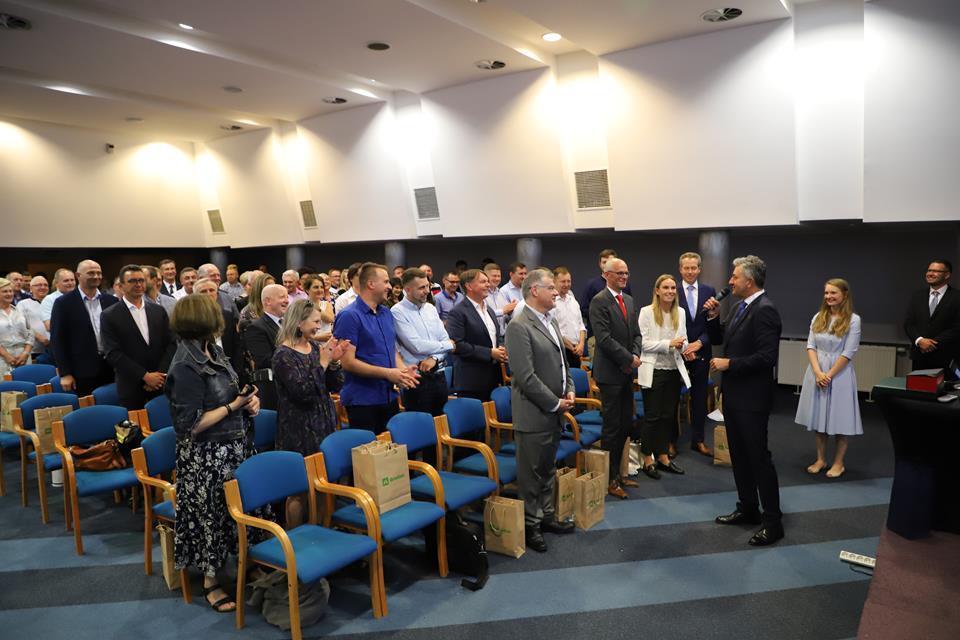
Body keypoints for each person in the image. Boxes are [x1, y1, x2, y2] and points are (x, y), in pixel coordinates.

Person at [165, 293, 262, 613]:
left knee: (242, 510)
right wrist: (234, 406)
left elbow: (232, 391)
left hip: (234, 445)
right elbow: (190, 425)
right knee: (212, 519)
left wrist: (249, 402)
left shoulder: (214, 351)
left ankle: (248, 563)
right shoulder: (184, 364)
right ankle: (211, 581)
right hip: (205, 456)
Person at [705, 255, 783, 546]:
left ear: (749, 281)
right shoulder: (740, 307)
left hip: (752, 399)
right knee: (739, 456)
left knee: (758, 459)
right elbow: (722, 339)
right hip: (735, 396)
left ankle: (773, 522)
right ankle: (748, 508)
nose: (730, 281)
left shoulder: (765, 310)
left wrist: (730, 364)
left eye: (734, 276)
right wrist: (713, 318)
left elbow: (767, 358)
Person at [504, 268, 576, 553]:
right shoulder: (519, 326)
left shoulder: (550, 320)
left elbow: (563, 363)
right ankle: (530, 524)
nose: (556, 291)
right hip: (534, 413)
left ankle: (546, 516)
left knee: (548, 468)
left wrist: (569, 388)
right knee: (531, 474)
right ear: (535, 290)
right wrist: (555, 402)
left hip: (554, 410)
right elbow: (525, 377)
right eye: (551, 288)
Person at [333, 263, 419, 433]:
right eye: (386, 282)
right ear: (371, 284)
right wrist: (388, 373)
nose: (390, 286)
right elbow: (348, 362)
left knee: (392, 447)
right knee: (370, 449)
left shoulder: (386, 312)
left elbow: (391, 349)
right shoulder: (349, 316)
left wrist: (402, 372)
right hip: (363, 401)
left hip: (388, 396)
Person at [795, 279, 863, 478]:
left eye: (833, 293)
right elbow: (810, 346)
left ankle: (838, 463)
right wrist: (818, 373)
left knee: (840, 419)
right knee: (819, 417)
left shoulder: (853, 320)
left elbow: (849, 352)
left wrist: (829, 375)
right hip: (817, 371)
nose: (829, 297)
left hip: (839, 374)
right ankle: (821, 459)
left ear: (844, 295)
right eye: (826, 293)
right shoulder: (818, 317)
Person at [589, 258, 642, 499]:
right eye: (619, 273)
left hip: (627, 371)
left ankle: (620, 473)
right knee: (611, 428)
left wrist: (635, 355)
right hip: (610, 374)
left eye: (626, 273)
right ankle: (610, 479)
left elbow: (637, 334)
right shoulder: (599, 301)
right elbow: (604, 339)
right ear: (606, 275)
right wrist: (628, 359)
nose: (624, 277)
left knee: (625, 424)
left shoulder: (628, 300)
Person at [272, 299, 349, 456]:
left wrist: (333, 362)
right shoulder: (283, 355)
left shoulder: (314, 347)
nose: (319, 327)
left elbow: (335, 385)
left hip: (325, 423)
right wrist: (323, 363)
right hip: (300, 431)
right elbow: (302, 393)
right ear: (299, 323)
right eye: (315, 322)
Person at [637, 275, 690, 479]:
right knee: (653, 416)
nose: (670, 291)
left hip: (673, 369)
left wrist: (684, 347)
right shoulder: (646, 312)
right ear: (657, 291)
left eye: (673, 288)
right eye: (666, 287)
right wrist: (669, 344)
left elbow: (684, 340)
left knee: (668, 416)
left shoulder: (680, 312)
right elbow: (642, 343)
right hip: (654, 370)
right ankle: (647, 458)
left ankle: (663, 456)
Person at [100, 265, 174, 410]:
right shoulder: (109, 315)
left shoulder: (158, 311)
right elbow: (112, 353)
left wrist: (159, 375)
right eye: (132, 281)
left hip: (161, 382)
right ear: (121, 286)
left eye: (141, 280)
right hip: (131, 385)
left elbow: (171, 344)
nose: (138, 284)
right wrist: (145, 376)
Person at [392, 268, 456, 418]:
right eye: (421, 287)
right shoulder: (397, 312)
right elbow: (417, 346)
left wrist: (434, 358)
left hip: (439, 374)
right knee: (421, 426)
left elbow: (444, 337)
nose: (427, 291)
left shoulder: (430, 308)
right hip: (416, 378)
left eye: (427, 286)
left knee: (441, 423)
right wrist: (449, 345)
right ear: (407, 289)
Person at [50, 260, 119, 395]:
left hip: (112, 367)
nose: (96, 276)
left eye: (99, 273)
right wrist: (65, 373)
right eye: (91, 273)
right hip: (82, 370)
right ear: (78, 275)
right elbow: (58, 340)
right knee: (89, 406)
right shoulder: (63, 303)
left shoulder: (111, 301)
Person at [677, 252, 716, 457]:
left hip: (701, 352)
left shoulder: (709, 291)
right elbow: (669, 324)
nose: (690, 271)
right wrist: (685, 347)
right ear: (680, 269)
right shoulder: (672, 290)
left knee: (699, 399)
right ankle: (671, 442)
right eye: (686, 268)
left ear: (699, 269)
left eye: (694, 268)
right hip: (677, 352)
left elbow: (712, 324)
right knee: (673, 399)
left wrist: (699, 343)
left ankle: (698, 440)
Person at [446, 269, 506, 401]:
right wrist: (489, 353)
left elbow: (493, 338)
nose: (488, 285)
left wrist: (500, 349)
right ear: (469, 286)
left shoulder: (489, 310)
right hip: (471, 380)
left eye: (487, 281)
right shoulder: (458, 312)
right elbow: (457, 345)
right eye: (483, 282)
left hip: (493, 376)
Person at [904, 260, 960, 370]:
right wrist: (920, 340)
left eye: (935, 271)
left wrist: (932, 344)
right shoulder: (917, 296)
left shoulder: (957, 297)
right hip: (920, 357)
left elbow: (957, 327)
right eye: (929, 270)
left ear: (947, 275)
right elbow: (909, 323)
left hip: (947, 357)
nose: (930, 274)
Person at [244, 283, 288, 411]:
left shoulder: (288, 324)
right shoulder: (256, 327)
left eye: (287, 297)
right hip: (274, 391)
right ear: (268, 301)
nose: (286, 301)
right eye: (282, 297)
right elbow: (265, 360)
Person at [581, 249, 633, 338]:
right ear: (600, 264)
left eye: (610, 262)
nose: (607, 265)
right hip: (597, 335)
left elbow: (629, 309)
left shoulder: (625, 285)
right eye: (604, 262)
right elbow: (584, 309)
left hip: (622, 336)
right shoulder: (592, 285)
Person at [195, 278, 243, 372]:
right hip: (203, 369)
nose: (208, 294)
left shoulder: (228, 315)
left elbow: (237, 344)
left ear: (217, 294)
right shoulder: (192, 320)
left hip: (229, 368)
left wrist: (236, 371)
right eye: (203, 291)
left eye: (211, 290)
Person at [552, 267, 586, 368]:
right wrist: (571, 347)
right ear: (554, 282)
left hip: (577, 351)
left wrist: (581, 345)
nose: (566, 284)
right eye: (563, 281)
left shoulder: (573, 301)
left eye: (569, 281)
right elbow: (554, 330)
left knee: (576, 377)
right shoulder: (551, 303)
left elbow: (581, 325)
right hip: (560, 350)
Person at [0, 278, 33, 378]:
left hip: (23, 356)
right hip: (2, 358)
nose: (9, 294)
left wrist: (25, 353)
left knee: (27, 383)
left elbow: (31, 333)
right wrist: (6, 355)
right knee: (6, 386)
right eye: (5, 291)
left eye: (10, 291)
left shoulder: (19, 311)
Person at [18, 276, 51, 364]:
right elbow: (21, 325)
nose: (43, 287)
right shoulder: (23, 304)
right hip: (33, 350)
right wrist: (39, 336)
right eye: (38, 285)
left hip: (54, 348)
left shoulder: (53, 301)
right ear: (31, 288)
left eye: (45, 285)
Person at [303, 275, 335, 343]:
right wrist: (316, 337)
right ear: (307, 290)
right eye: (316, 287)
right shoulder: (301, 306)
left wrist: (315, 306)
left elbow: (330, 319)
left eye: (321, 287)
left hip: (326, 344)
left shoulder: (327, 304)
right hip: (308, 343)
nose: (320, 290)